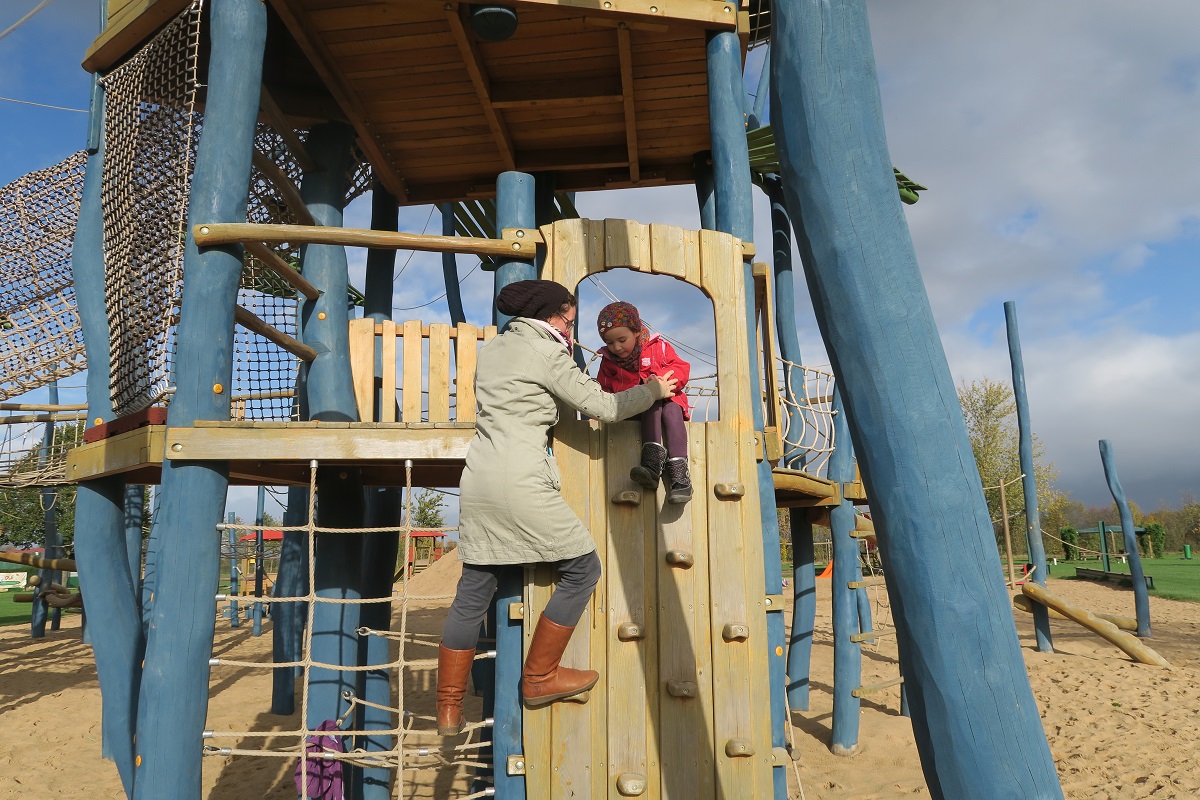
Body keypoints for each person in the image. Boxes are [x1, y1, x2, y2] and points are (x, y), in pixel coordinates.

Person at [436, 280, 679, 736]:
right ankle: (540, 676)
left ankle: (448, 707)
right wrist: (653, 391)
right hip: (522, 478)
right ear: (551, 318)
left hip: (480, 477)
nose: (571, 328)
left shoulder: (493, 350)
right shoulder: (546, 352)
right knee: (584, 569)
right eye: (569, 320)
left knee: (473, 592)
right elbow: (603, 407)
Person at [595, 301, 693, 504]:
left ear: (637, 332)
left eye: (622, 339)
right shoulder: (609, 361)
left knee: (671, 410)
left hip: (669, 399)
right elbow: (603, 388)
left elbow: (680, 368)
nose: (616, 347)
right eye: (610, 342)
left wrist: (660, 377)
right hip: (635, 408)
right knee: (649, 401)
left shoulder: (658, 347)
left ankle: (680, 477)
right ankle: (651, 465)